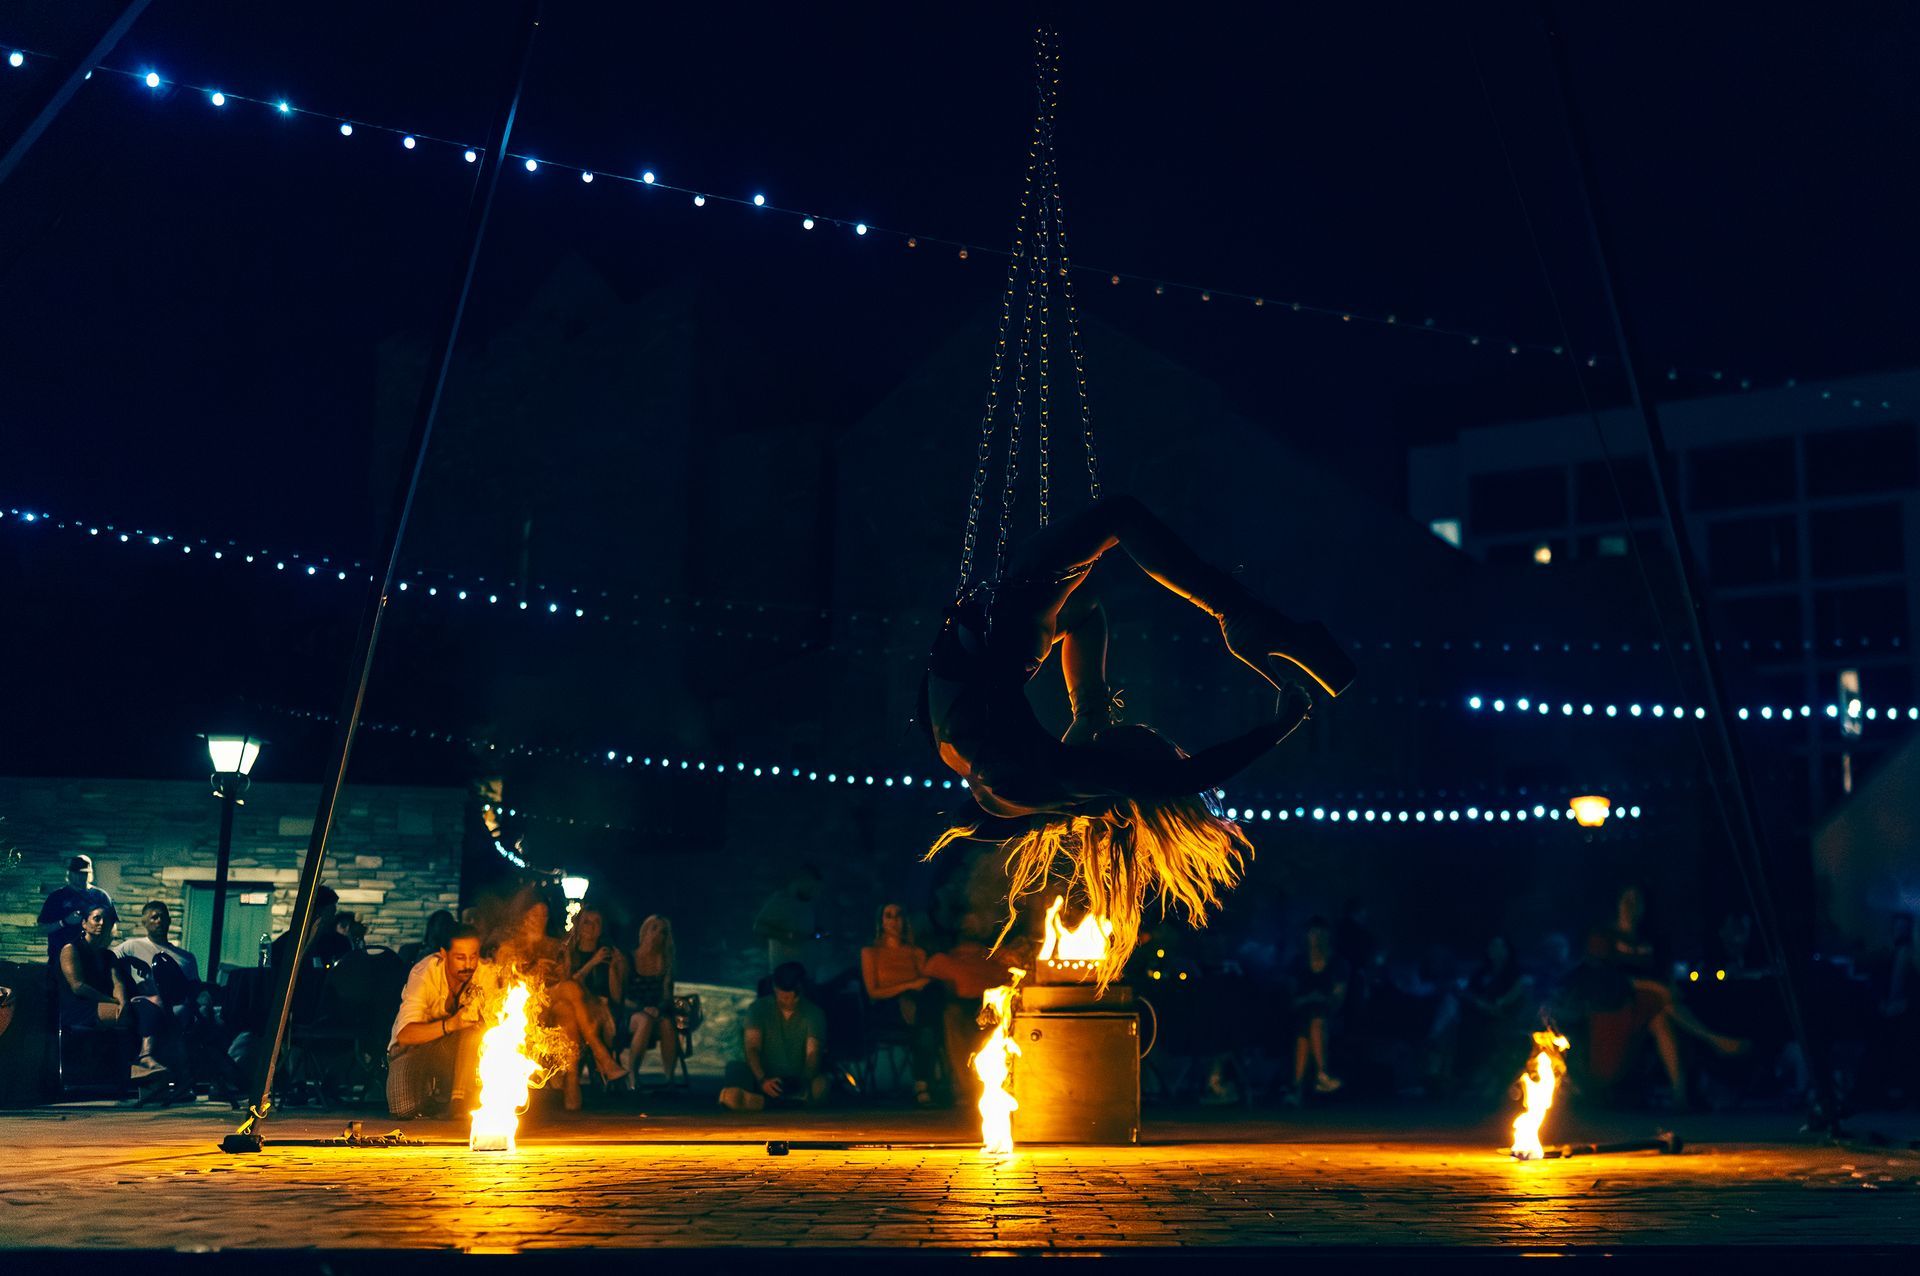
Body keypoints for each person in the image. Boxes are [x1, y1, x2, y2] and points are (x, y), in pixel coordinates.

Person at [925, 496, 1346, 988]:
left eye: (1152, 744)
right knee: (1094, 587)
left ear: (1127, 782)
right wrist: (1088, 712)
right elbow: (1088, 616)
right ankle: (1244, 622)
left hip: (1009, 623)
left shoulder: (1056, 779)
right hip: (1008, 635)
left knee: (1120, 516)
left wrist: (1279, 727)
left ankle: (1240, 619)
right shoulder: (1043, 785)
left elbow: (1186, 777)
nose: (1150, 734)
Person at [498, 897, 625, 1108]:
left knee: (567, 1010)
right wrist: (535, 971)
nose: (540, 919)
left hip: (554, 1005)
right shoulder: (511, 946)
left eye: (544, 915)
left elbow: (564, 978)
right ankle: (600, 1054)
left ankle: (572, 1080)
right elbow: (505, 984)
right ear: (524, 917)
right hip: (526, 1007)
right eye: (535, 915)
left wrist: (557, 969)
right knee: (570, 990)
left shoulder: (555, 946)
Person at [58, 902, 180, 1081]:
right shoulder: (71, 949)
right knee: (128, 1016)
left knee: (146, 1008)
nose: (101, 923)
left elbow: (118, 983)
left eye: (105, 920)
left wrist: (122, 1002)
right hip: (80, 1007)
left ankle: (146, 1057)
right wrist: (112, 1002)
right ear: (84, 923)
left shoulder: (108, 955)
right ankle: (132, 1068)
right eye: (96, 918)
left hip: (106, 1004)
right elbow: (78, 986)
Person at [387, 923, 492, 1119]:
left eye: (473, 956)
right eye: (460, 958)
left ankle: (458, 1101)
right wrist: (452, 1024)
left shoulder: (486, 972)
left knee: (474, 1032)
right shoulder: (424, 973)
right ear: (444, 954)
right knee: (403, 1108)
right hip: (417, 1048)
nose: (468, 965)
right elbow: (405, 1036)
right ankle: (434, 1096)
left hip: (464, 1053)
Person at [924, 928, 1020, 1104]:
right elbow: (927, 984)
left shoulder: (996, 958)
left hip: (995, 1006)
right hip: (960, 1006)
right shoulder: (945, 960)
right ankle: (966, 1089)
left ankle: (1007, 1087)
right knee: (952, 1017)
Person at [719, 962, 829, 1111]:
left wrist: (803, 1082)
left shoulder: (813, 1013)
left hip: (797, 1080)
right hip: (762, 1078)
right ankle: (783, 1103)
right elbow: (752, 1047)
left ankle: (781, 1102)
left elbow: (813, 1052)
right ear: (775, 990)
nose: (788, 1002)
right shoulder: (758, 1009)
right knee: (730, 1095)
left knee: (821, 1086)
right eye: (783, 997)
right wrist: (763, 1080)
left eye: (792, 998)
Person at [860, 902, 938, 1105]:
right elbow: (873, 992)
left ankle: (923, 1083)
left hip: (916, 1007)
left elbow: (925, 984)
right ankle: (923, 1084)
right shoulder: (871, 953)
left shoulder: (916, 953)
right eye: (888, 915)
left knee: (925, 1013)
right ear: (881, 921)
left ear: (904, 920)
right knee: (913, 1005)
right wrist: (908, 985)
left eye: (898, 915)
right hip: (886, 1007)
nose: (894, 920)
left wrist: (915, 986)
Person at [1286, 917, 1348, 1104]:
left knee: (1313, 1024)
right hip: (1301, 1014)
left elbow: (1338, 1000)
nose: (1317, 938)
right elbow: (1291, 1000)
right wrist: (1309, 998)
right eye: (1313, 933)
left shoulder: (1338, 963)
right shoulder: (1298, 963)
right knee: (1307, 1024)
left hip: (1329, 1017)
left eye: (1321, 933)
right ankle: (1321, 1075)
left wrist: (1322, 1000)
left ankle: (1299, 1087)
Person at [114, 900, 204, 1028]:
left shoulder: (186, 958)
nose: (159, 921)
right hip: (143, 1009)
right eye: (154, 917)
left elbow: (194, 987)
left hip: (176, 1010)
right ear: (144, 922)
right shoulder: (131, 947)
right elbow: (108, 958)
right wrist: (131, 961)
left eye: (163, 917)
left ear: (169, 921)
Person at [621, 914, 679, 1084]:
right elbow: (620, 996)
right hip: (630, 1013)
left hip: (655, 1013)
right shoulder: (628, 959)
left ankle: (670, 1077)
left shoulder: (665, 963)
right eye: (654, 929)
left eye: (663, 932)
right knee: (644, 1020)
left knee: (667, 1023)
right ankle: (633, 1075)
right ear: (645, 931)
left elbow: (667, 996)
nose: (657, 935)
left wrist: (659, 1008)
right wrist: (641, 1008)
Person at [564, 908, 625, 1055]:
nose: (591, 927)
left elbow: (616, 997)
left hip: (603, 1009)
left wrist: (614, 969)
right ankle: (599, 1065)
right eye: (586, 922)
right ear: (578, 925)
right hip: (576, 1010)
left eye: (597, 922)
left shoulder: (609, 955)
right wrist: (593, 962)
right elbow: (568, 986)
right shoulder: (568, 953)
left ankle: (598, 1067)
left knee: (598, 1018)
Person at [38, 854, 115, 964]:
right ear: (70, 873)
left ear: (90, 873)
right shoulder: (57, 897)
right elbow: (41, 928)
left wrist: (101, 948)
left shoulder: (101, 896)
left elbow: (112, 927)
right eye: (77, 873)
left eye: (84, 873)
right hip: (59, 960)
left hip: (92, 960)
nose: (81, 876)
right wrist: (64, 922)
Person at [753, 865, 823, 978]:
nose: (813, 891)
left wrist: (817, 935)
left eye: (815, 887)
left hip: (806, 971)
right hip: (784, 972)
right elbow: (759, 927)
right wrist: (787, 935)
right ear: (800, 881)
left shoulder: (811, 905)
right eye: (810, 887)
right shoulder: (781, 901)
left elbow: (815, 933)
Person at [269, 884, 352, 971]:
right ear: (315, 913)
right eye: (329, 914)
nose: (332, 919)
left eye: (333, 914)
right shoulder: (287, 942)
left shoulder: (340, 942)